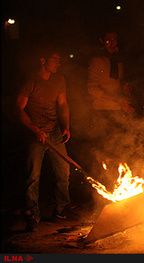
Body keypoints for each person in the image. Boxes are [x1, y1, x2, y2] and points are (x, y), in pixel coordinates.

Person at [14, 45, 71, 231]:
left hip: (54, 132)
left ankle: (62, 210)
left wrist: (66, 126)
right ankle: (32, 215)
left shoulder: (59, 79)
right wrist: (35, 129)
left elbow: (62, 104)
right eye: (55, 59)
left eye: (59, 60)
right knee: (33, 176)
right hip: (35, 134)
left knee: (64, 171)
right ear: (43, 60)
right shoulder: (31, 80)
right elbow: (19, 108)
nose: (58, 63)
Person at [87, 29, 135, 138]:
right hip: (101, 112)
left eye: (114, 40)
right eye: (108, 41)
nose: (112, 44)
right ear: (102, 41)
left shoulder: (117, 60)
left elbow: (113, 84)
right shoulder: (97, 60)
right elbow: (91, 88)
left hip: (117, 110)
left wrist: (123, 92)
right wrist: (117, 99)